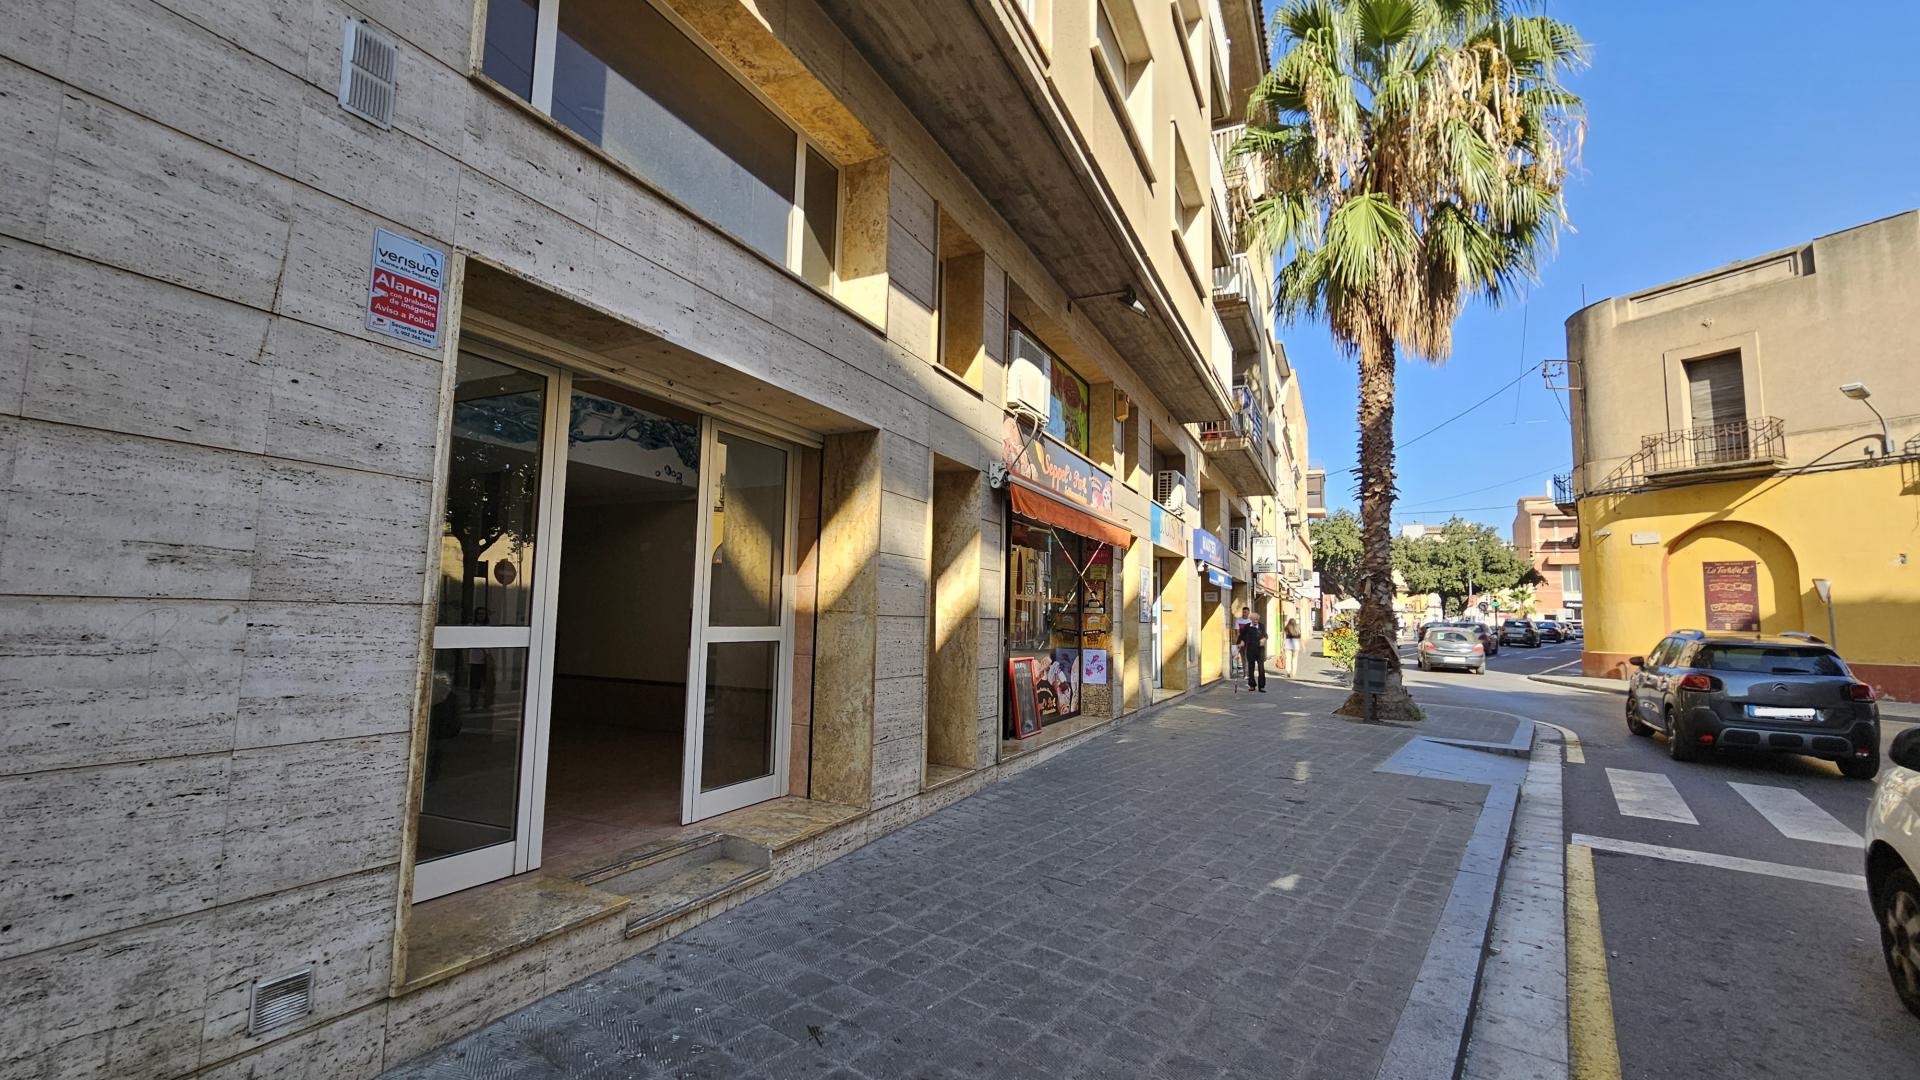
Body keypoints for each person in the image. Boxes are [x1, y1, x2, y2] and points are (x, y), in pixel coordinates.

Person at [1237, 611, 1269, 691]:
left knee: (1261, 668)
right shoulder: (1247, 627)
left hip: (1260, 649)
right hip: (1250, 648)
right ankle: (1252, 685)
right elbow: (1242, 636)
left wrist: (1264, 639)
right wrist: (1241, 643)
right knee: (1251, 667)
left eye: (1257, 619)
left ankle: (1261, 686)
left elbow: (1265, 635)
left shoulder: (1261, 626)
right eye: (1254, 619)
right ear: (1251, 619)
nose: (1255, 621)